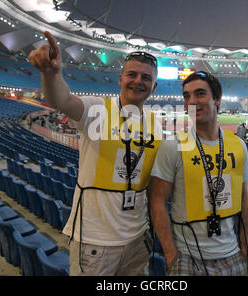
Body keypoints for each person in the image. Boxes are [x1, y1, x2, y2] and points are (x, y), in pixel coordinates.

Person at [28, 31, 161, 276]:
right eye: (132, 75)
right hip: (95, 240)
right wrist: (51, 73)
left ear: (154, 86)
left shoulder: (156, 124)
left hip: (138, 239)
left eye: (145, 77)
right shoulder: (97, 108)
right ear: (120, 79)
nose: (138, 81)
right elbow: (62, 100)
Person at [150, 71, 248, 276]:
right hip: (187, 259)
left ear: (217, 99)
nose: (192, 101)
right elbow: (157, 202)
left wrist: (244, 247)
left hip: (231, 256)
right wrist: (170, 254)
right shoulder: (174, 145)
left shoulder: (238, 145)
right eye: (187, 96)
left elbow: (243, 200)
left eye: (199, 94)